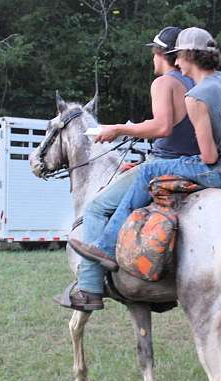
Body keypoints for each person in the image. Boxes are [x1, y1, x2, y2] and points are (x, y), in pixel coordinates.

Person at [69, 27, 221, 305]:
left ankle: (95, 271)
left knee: (115, 195)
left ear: (184, 56)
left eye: (179, 57)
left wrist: (119, 130)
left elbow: (197, 150)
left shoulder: (188, 91)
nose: (177, 64)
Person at [56, 26, 200, 311]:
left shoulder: (163, 83)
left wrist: (118, 129)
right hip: (192, 165)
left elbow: (162, 126)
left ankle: (89, 288)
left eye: (153, 52)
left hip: (163, 166)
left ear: (160, 54)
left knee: (96, 208)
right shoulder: (196, 84)